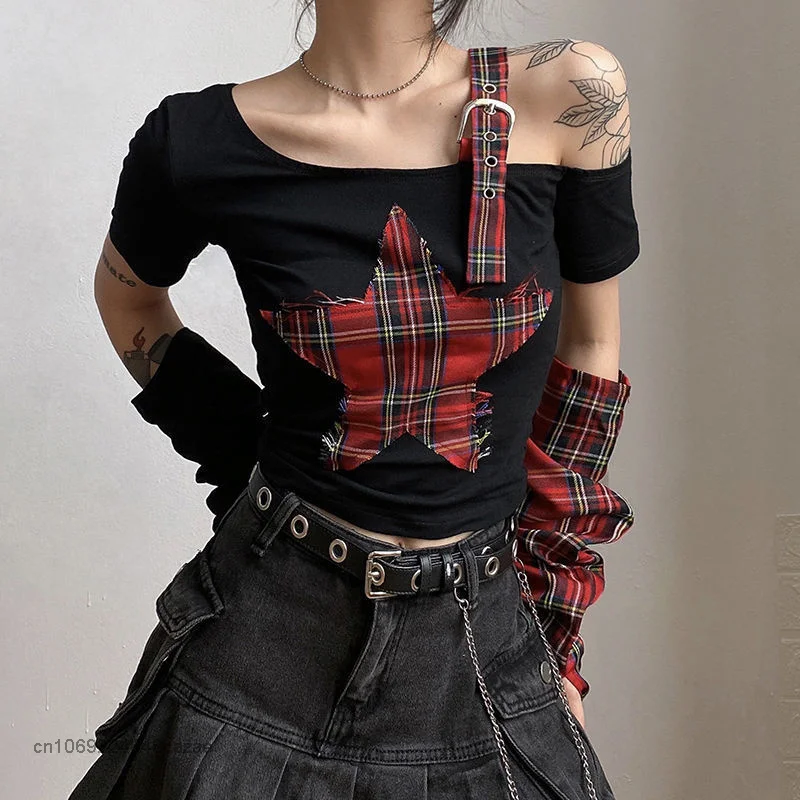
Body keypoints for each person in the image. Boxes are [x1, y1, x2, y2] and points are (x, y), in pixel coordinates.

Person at [70, 2, 640, 798]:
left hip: (485, 637)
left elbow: (590, 355)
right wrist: (250, 465)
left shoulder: (573, 92)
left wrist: (559, 629)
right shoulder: (197, 141)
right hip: (263, 635)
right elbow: (128, 300)